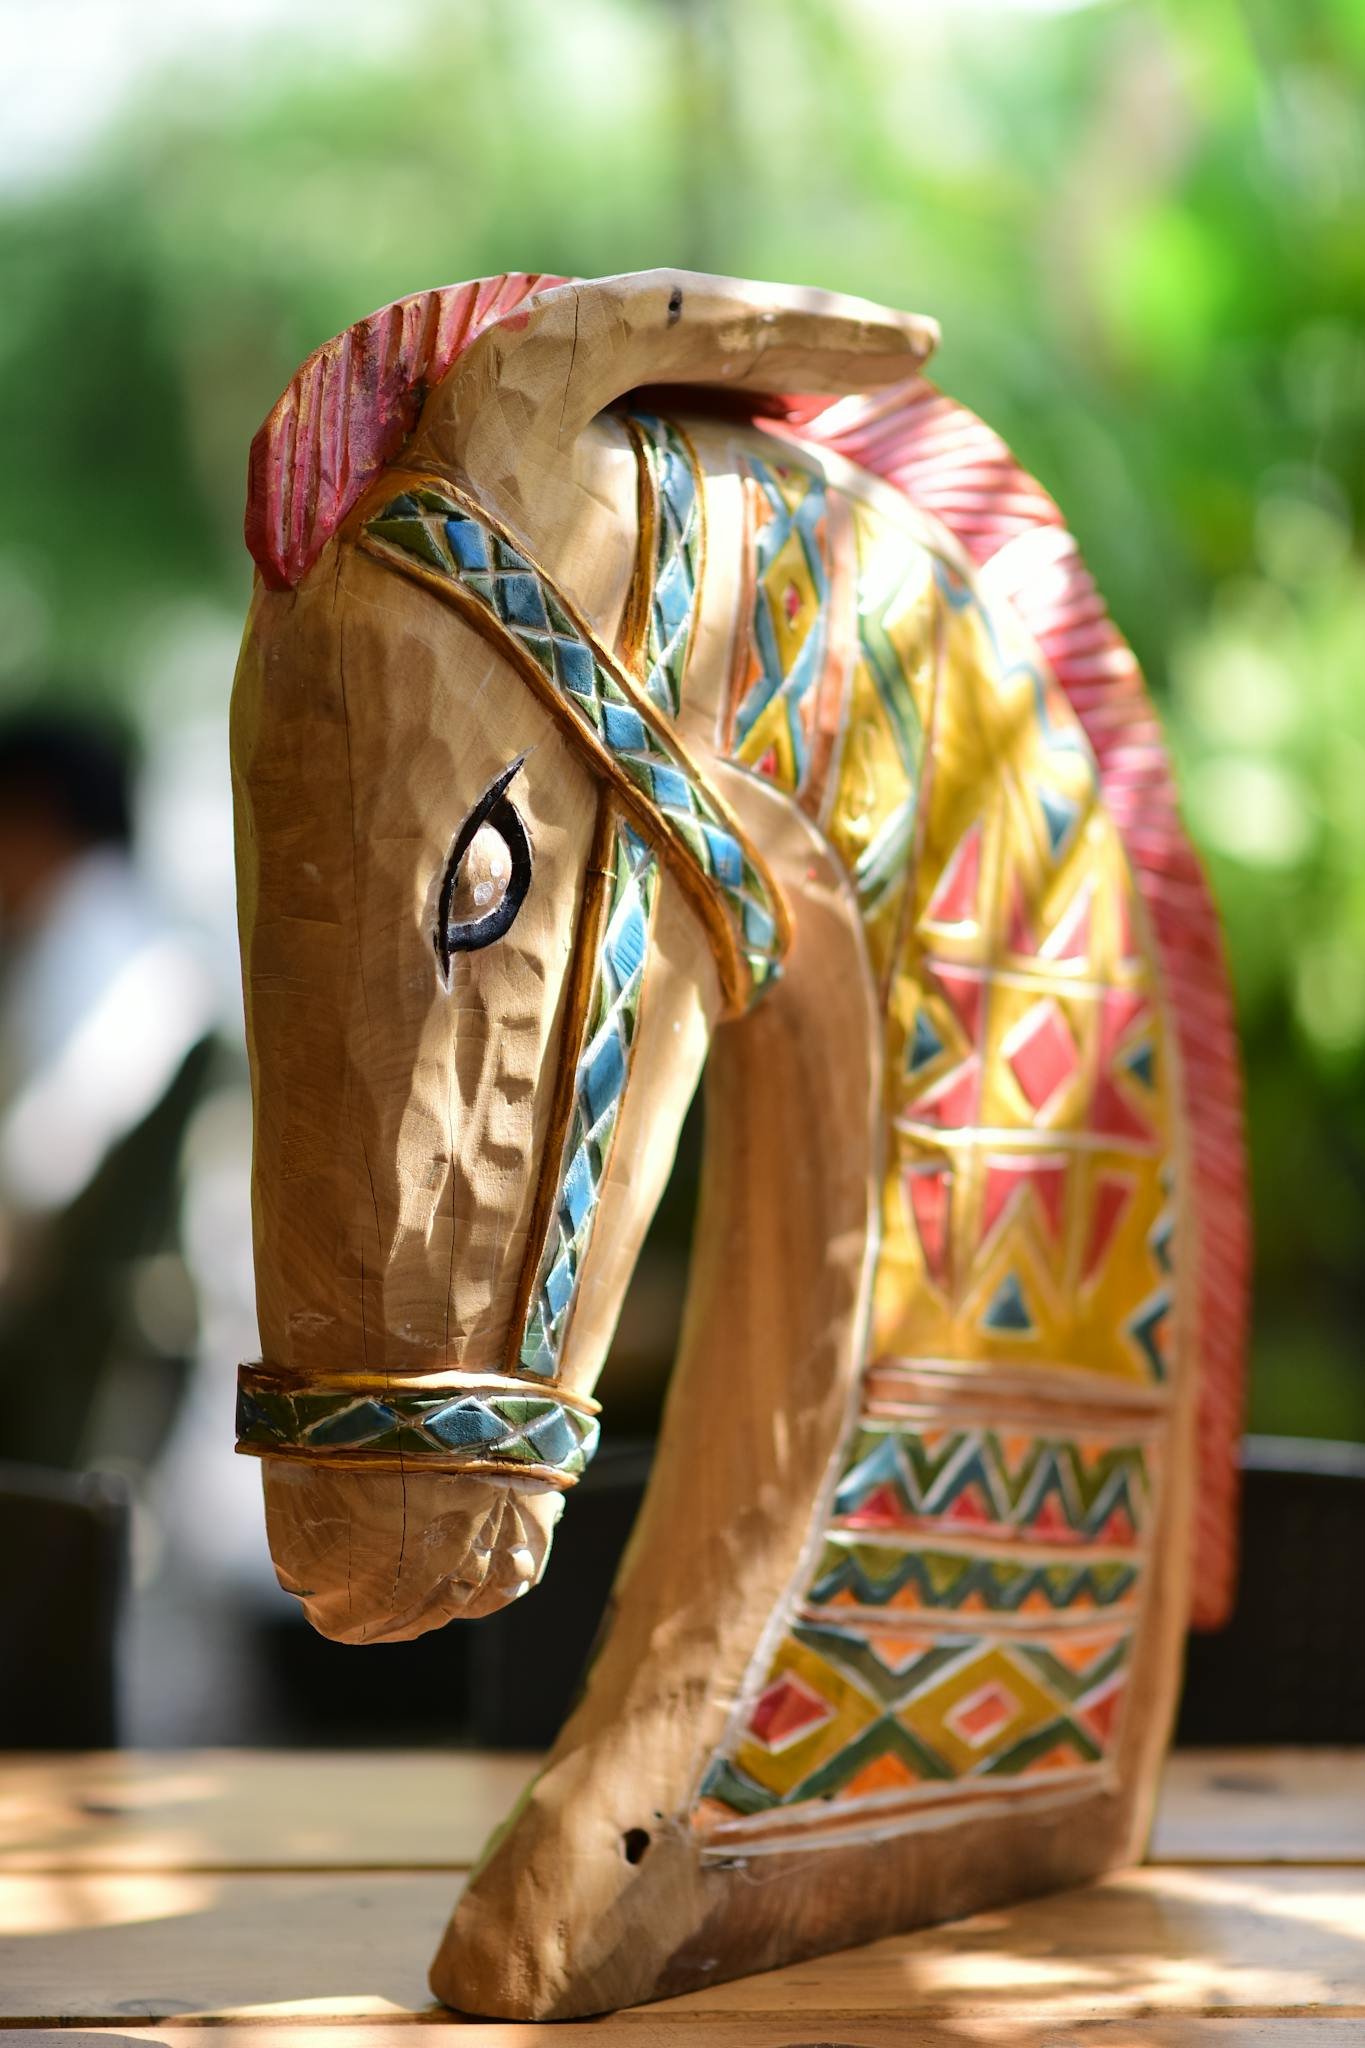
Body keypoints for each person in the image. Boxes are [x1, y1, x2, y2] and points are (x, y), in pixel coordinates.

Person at [0, 706, 217, 1473]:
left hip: (63, 1353)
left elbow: (35, 1164)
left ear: (33, 818)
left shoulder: (85, 945)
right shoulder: (135, 933)